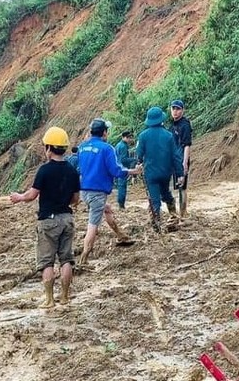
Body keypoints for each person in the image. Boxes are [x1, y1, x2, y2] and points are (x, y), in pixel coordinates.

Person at [9, 126, 80, 308]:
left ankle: (49, 300)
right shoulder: (72, 171)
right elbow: (75, 200)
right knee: (66, 259)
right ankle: (64, 297)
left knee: (47, 262)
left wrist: (19, 197)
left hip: (48, 221)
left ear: (49, 148)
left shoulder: (44, 170)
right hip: (67, 219)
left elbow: (32, 195)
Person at [77, 118, 143, 266]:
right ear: (105, 133)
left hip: (84, 191)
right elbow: (116, 170)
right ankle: (84, 258)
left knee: (106, 209)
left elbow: (80, 168)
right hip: (98, 192)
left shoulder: (82, 147)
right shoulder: (107, 149)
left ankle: (120, 235)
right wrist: (133, 171)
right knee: (93, 224)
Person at [136, 106, 183, 232]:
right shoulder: (168, 135)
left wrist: (139, 163)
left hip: (150, 173)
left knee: (154, 199)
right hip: (165, 172)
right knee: (166, 192)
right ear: (161, 119)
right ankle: (173, 216)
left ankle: (156, 225)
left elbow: (139, 155)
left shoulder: (143, 136)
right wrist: (180, 174)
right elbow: (176, 156)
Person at [168, 99, 193, 217]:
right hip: (174, 161)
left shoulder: (185, 125)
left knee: (182, 187)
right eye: (173, 108)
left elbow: (187, 145)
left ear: (182, 110)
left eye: (178, 109)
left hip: (181, 160)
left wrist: (185, 162)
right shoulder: (172, 125)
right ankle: (182, 212)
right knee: (178, 186)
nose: (175, 111)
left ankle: (182, 214)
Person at [114, 130, 136, 208]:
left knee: (121, 186)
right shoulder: (123, 146)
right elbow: (123, 159)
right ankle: (121, 205)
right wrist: (133, 159)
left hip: (118, 167)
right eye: (129, 138)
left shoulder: (118, 145)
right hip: (122, 168)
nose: (130, 140)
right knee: (122, 187)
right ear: (124, 138)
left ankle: (121, 204)